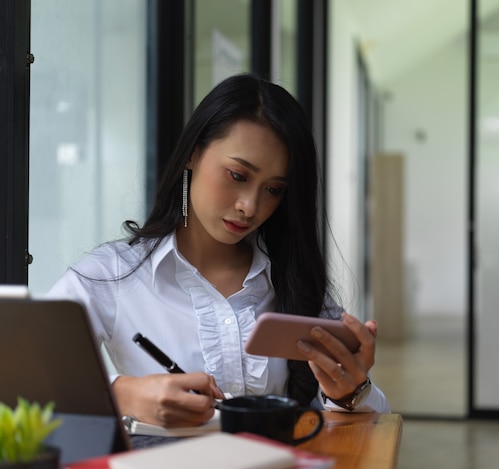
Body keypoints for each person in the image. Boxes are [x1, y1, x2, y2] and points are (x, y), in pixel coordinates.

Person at [47, 73, 390, 428]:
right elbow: (20, 383)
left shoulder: (291, 280)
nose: (249, 206)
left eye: (273, 190)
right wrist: (121, 395)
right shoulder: (111, 275)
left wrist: (348, 392)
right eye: (238, 176)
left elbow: (370, 423)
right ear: (192, 154)